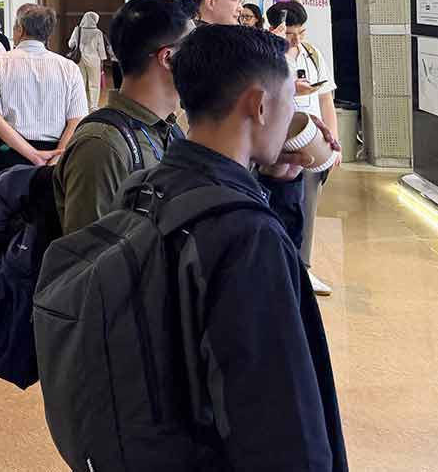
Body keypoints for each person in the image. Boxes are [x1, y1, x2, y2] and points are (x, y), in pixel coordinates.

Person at [76, 24, 346, 467]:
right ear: (260, 105)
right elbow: (279, 417)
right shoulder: (248, 235)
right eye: (288, 103)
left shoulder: (147, 184)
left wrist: (268, 179)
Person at [54, 0, 191, 234]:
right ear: (167, 58)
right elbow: (88, 250)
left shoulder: (169, 129)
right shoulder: (102, 145)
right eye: (194, 49)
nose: (201, 60)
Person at [267, 0, 340, 297]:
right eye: (290, 34)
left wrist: (334, 142)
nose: (296, 40)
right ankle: (278, 267)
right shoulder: (268, 55)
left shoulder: (312, 53)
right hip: (280, 141)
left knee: (308, 206)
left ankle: (303, 267)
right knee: (281, 204)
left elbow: (326, 99)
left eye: (301, 33)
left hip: (314, 139)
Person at [0, 4, 87, 194]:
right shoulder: (68, 68)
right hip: (55, 152)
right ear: (49, 33)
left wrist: (34, 155)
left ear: (20, 29)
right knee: (48, 209)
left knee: (4, 208)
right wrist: (56, 158)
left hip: (8, 151)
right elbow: (77, 120)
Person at [67, 11, 113, 112]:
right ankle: (93, 106)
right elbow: (101, 49)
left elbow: (70, 44)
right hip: (94, 60)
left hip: (80, 60)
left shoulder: (77, 30)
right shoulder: (97, 32)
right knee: (94, 83)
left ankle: (81, 104)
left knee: (82, 82)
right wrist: (102, 60)